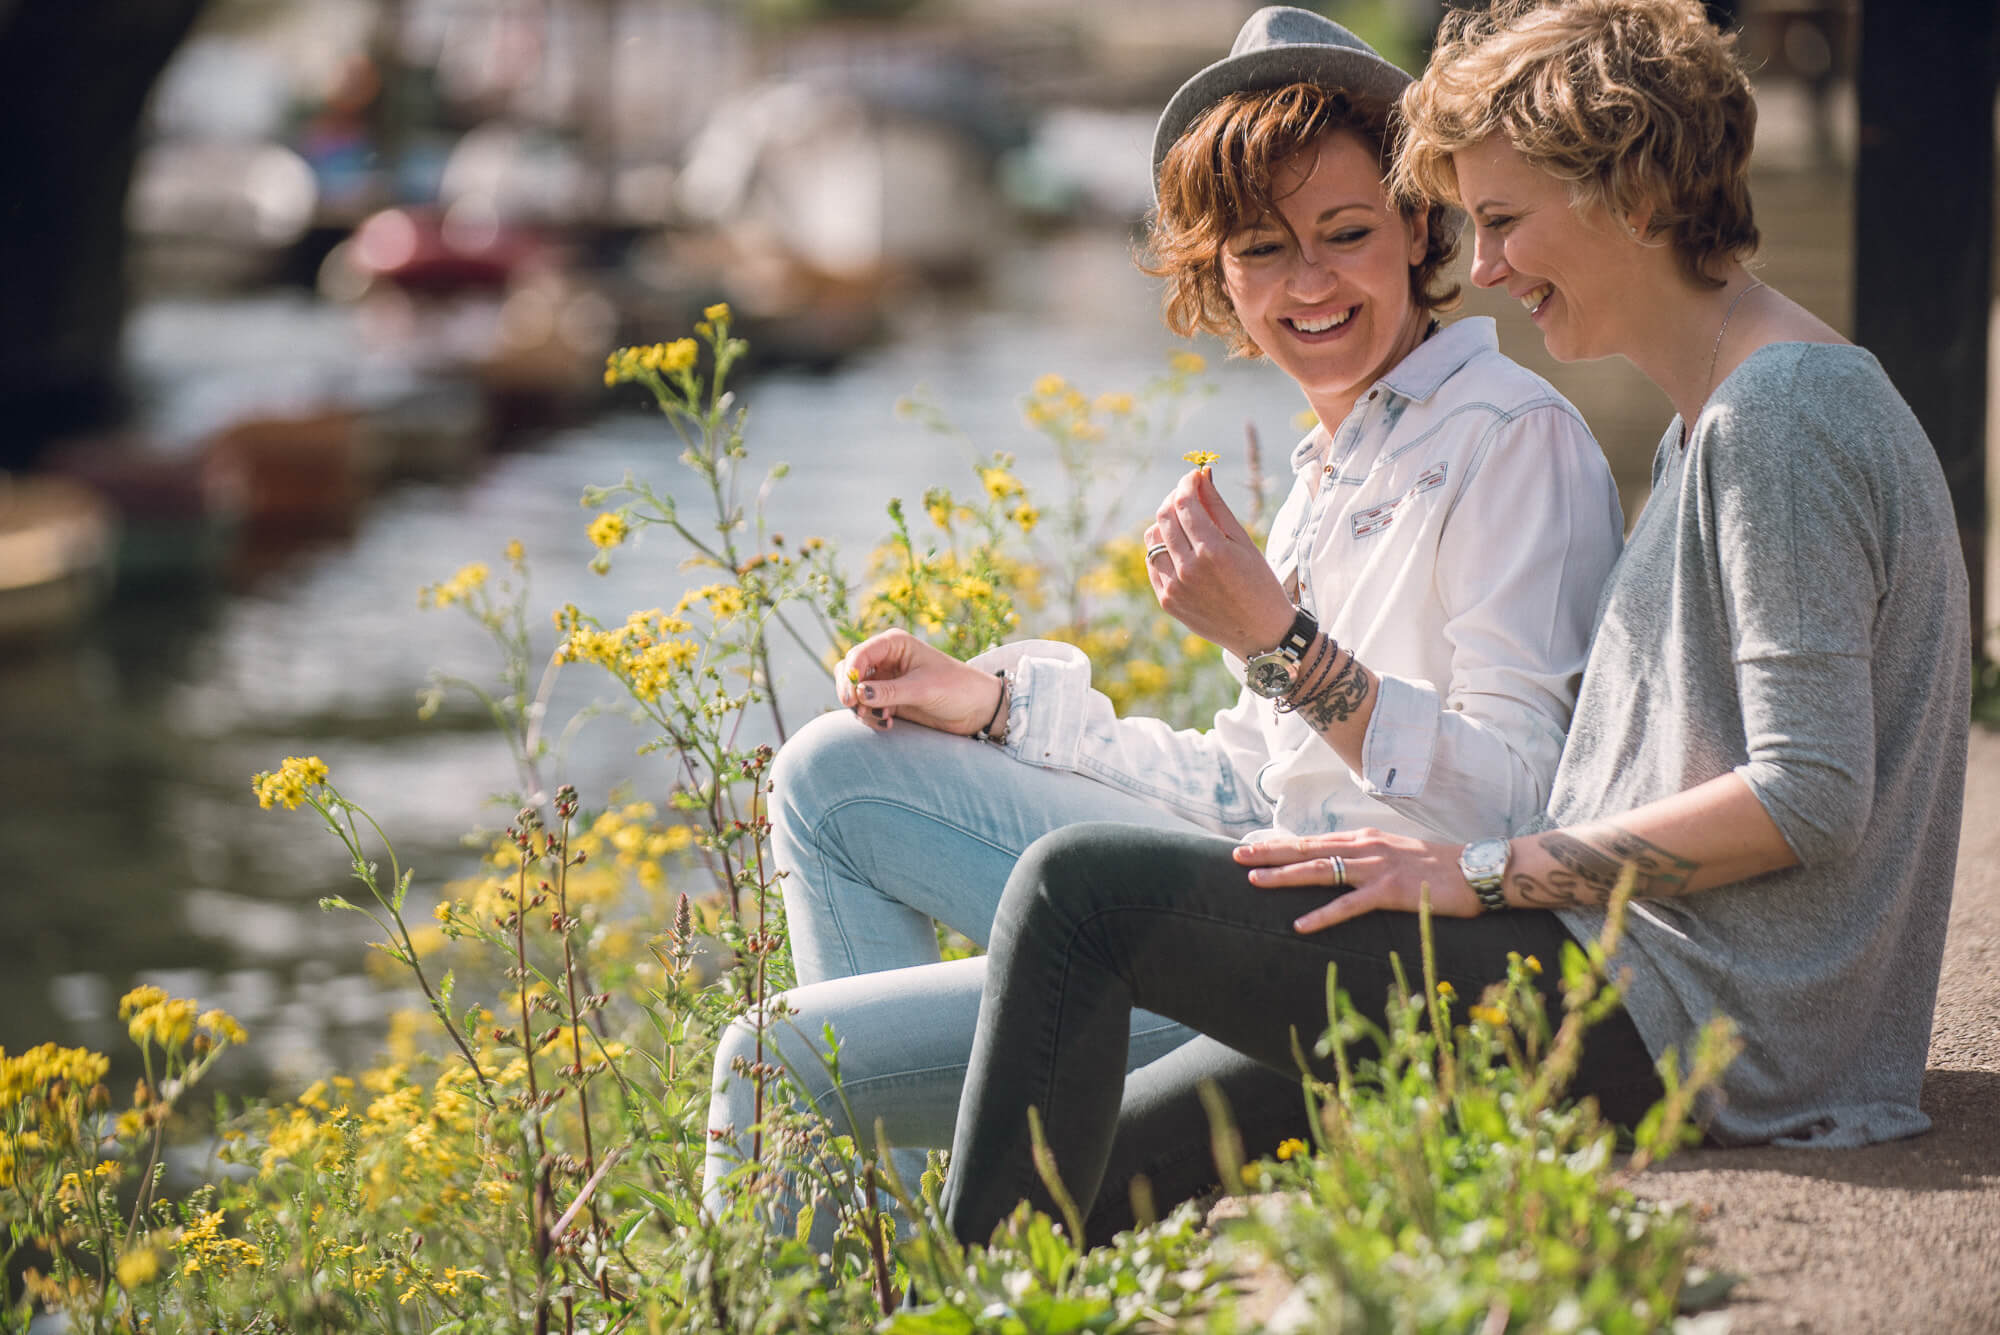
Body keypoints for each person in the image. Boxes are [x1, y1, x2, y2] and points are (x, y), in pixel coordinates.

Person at [938, 0, 1971, 1249]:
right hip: (1622, 991)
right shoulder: (1714, 424)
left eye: (1501, 219)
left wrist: (1477, 875)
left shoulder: (1781, 420)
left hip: (1683, 1027)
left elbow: (1809, 794)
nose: (1481, 268)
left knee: (1075, 893)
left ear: (1630, 196)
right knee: (1099, 1178)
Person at [703, 6, 1625, 1239]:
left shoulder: (1512, 441)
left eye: (1344, 233)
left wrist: (1284, 647)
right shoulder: (1332, 468)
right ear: (1215, 273)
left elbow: (1514, 819)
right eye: (1258, 250)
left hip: (1324, 955)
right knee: (831, 773)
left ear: (1418, 226)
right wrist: (998, 708)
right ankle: (924, 1220)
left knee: (776, 1062)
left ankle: (904, 1249)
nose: (1306, 285)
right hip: (1243, 884)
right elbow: (1243, 794)